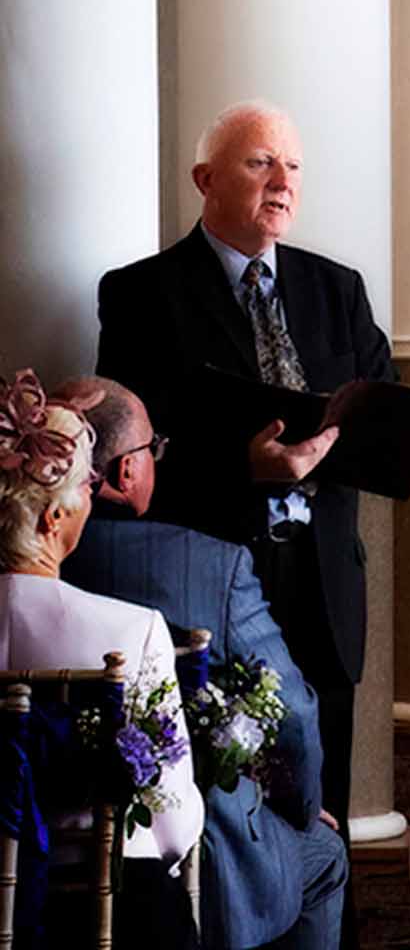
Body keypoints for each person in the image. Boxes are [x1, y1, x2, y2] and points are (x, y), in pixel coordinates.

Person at [97, 98, 395, 947]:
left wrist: (332, 448)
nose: (283, 182)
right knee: (223, 809)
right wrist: (244, 466)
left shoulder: (337, 289)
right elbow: (129, 458)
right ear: (205, 179)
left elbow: (383, 408)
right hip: (213, 587)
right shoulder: (142, 294)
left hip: (325, 578)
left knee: (318, 806)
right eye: (261, 163)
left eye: (293, 167)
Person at [58, 376, 347, 950]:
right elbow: (293, 717)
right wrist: (299, 807)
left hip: (38, 843)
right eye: (153, 449)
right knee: (325, 855)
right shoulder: (215, 566)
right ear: (126, 472)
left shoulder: (26, 561)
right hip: (191, 848)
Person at [0, 368, 202, 949]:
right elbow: (168, 822)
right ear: (51, 518)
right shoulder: (133, 630)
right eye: (85, 491)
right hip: (103, 908)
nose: (94, 499)